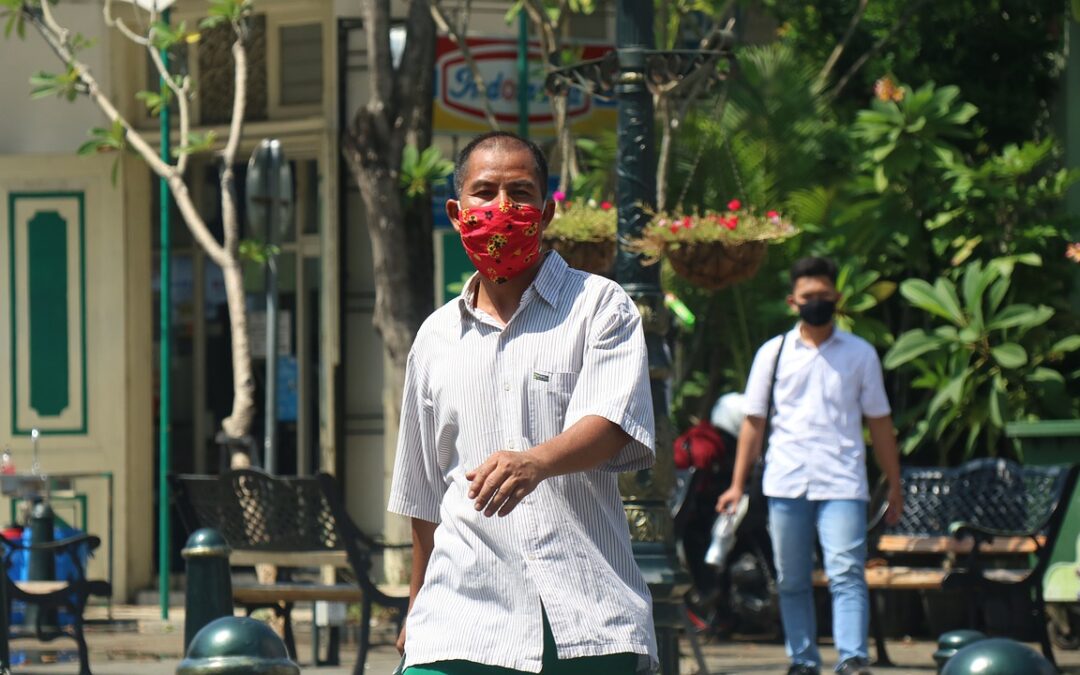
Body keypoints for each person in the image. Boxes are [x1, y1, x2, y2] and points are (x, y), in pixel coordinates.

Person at [387, 131, 658, 675]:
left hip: (586, 620)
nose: (502, 207)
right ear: (456, 210)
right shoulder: (435, 336)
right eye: (484, 192)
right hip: (458, 623)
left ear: (547, 211)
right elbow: (423, 494)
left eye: (521, 192)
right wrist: (416, 606)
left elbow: (609, 424)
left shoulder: (600, 307)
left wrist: (536, 461)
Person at [716, 256, 904, 675]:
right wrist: (736, 484)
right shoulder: (774, 353)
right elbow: (753, 423)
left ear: (837, 297)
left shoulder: (860, 354)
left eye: (823, 296)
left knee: (847, 572)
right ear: (792, 301)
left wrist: (894, 484)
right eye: (808, 297)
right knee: (792, 579)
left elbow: (880, 423)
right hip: (787, 482)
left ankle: (853, 658)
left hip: (843, 483)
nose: (816, 303)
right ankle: (803, 659)